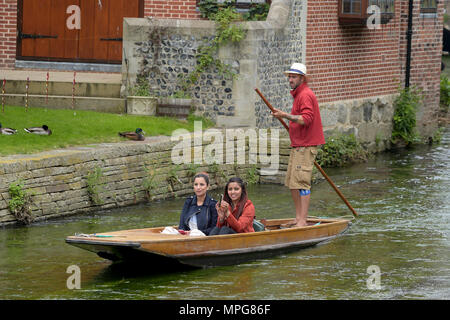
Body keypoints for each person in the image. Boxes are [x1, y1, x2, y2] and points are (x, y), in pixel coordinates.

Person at [271, 62, 325, 227]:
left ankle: (302, 220)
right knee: (292, 183)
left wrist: (285, 115)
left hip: (306, 146)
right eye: (289, 77)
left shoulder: (305, 95)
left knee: (301, 182)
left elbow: (306, 119)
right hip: (298, 145)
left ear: (302, 78)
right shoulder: (298, 95)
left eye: (293, 77)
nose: (290, 80)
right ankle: (298, 217)